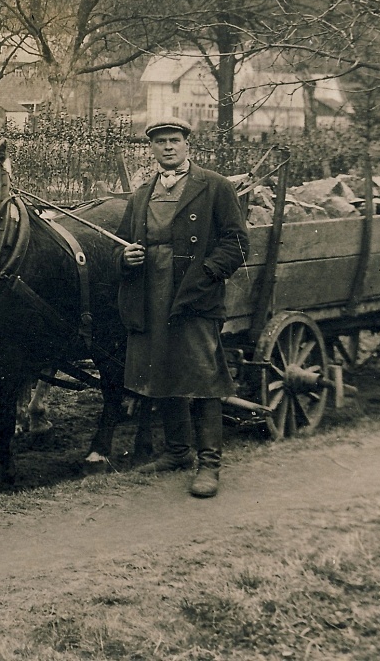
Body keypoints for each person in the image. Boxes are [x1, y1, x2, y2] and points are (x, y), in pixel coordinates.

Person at [117, 118, 249, 498]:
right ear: (152, 149)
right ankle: (177, 452)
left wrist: (207, 273)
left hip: (193, 296)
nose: (168, 148)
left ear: (188, 145)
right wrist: (125, 256)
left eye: (174, 141)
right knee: (162, 371)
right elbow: (120, 244)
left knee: (203, 377)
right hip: (151, 295)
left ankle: (209, 465)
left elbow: (238, 243)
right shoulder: (142, 195)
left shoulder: (215, 187)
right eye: (160, 143)